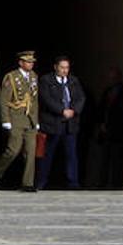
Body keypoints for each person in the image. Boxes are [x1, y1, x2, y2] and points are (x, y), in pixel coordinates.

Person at [0, 50, 40, 192]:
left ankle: (27, 183)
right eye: (28, 62)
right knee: (13, 150)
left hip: (30, 119)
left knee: (30, 152)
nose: (31, 64)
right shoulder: (11, 78)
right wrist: (5, 120)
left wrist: (36, 119)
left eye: (32, 62)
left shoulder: (34, 77)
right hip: (15, 118)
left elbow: (34, 101)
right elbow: (4, 100)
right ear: (21, 62)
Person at [36, 55, 85, 190]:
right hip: (52, 123)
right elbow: (46, 99)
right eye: (62, 67)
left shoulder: (73, 81)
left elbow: (81, 98)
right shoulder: (46, 80)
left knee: (71, 155)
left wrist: (74, 110)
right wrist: (61, 110)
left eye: (67, 68)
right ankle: (41, 181)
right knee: (47, 155)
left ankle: (73, 182)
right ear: (56, 67)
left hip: (70, 125)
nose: (65, 71)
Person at [95, 67, 123, 189]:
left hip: (117, 132)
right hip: (105, 131)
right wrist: (101, 125)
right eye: (110, 77)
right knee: (103, 160)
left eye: (113, 77)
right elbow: (101, 109)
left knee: (117, 160)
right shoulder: (107, 92)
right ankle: (102, 183)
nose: (111, 80)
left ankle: (117, 184)